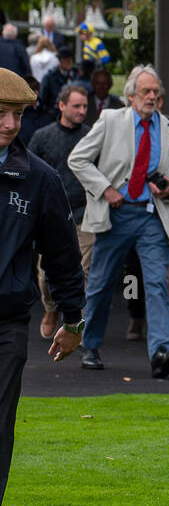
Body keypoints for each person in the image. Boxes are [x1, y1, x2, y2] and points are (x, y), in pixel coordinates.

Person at [67, 64, 169, 377]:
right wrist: (105, 189)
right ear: (131, 96)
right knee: (100, 283)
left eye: (155, 92)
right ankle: (90, 345)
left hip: (152, 216)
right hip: (116, 215)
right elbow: (77, 159)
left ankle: (161, 350)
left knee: (157, 284)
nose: (152, 96)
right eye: (145, 92)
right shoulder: (110, 120)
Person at [0, 69, 86, 506]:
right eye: (0, 114)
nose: (10, 125)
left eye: (16, 114)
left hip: (7, 327)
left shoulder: (41, 179)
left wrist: (73, 321)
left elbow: (63, 260)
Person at [27, 83, 94, 340]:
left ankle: (74, 320)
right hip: (50, 215)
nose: (81, 111)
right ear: (61, 105)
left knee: (81, 269)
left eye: (85, 107)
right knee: (45, 273)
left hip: (83, 212)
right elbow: (28, 170)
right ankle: (50, 308)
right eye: (76, 106)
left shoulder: (91, 135)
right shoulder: (43, 136)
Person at [38, 45, 78, 116]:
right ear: (60, 60)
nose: (69, 62)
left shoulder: (75, 75)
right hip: (53, 114)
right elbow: (42, 99)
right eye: (66, 59)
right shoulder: (49, 77)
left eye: (71, 59)